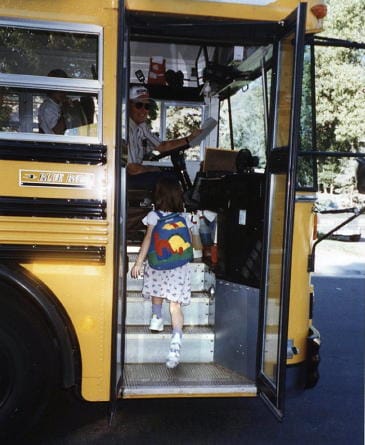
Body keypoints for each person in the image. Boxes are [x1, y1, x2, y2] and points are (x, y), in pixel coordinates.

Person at [130, 177, 193, 368]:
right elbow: (189, 241)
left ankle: (156, 318)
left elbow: (148, 239)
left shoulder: (154, 216)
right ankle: (176, 339)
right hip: (179, 267)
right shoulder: (185, 217)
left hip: (158, 265)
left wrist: (138, 263)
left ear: (158, 196)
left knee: (157, 290)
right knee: (175, 305)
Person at [127, 85, 201, 190]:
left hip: (136, 174)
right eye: (139, 105)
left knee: (171, 173)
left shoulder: (141, 127)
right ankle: (172, 206)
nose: (144, 110)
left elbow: (162, 146)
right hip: (126, 178)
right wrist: (153, 169)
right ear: (129, 105)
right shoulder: (126, 129)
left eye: (147, 106)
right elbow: (132, 169)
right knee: (170, 180)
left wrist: (189, 139)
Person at [38, 69, 88, 134]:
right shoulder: (48, 107)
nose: (63, 92)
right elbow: (58, 131)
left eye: (64, 88)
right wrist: (66, 109)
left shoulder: (58, 104)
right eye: (59, 89)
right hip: (53, 143)